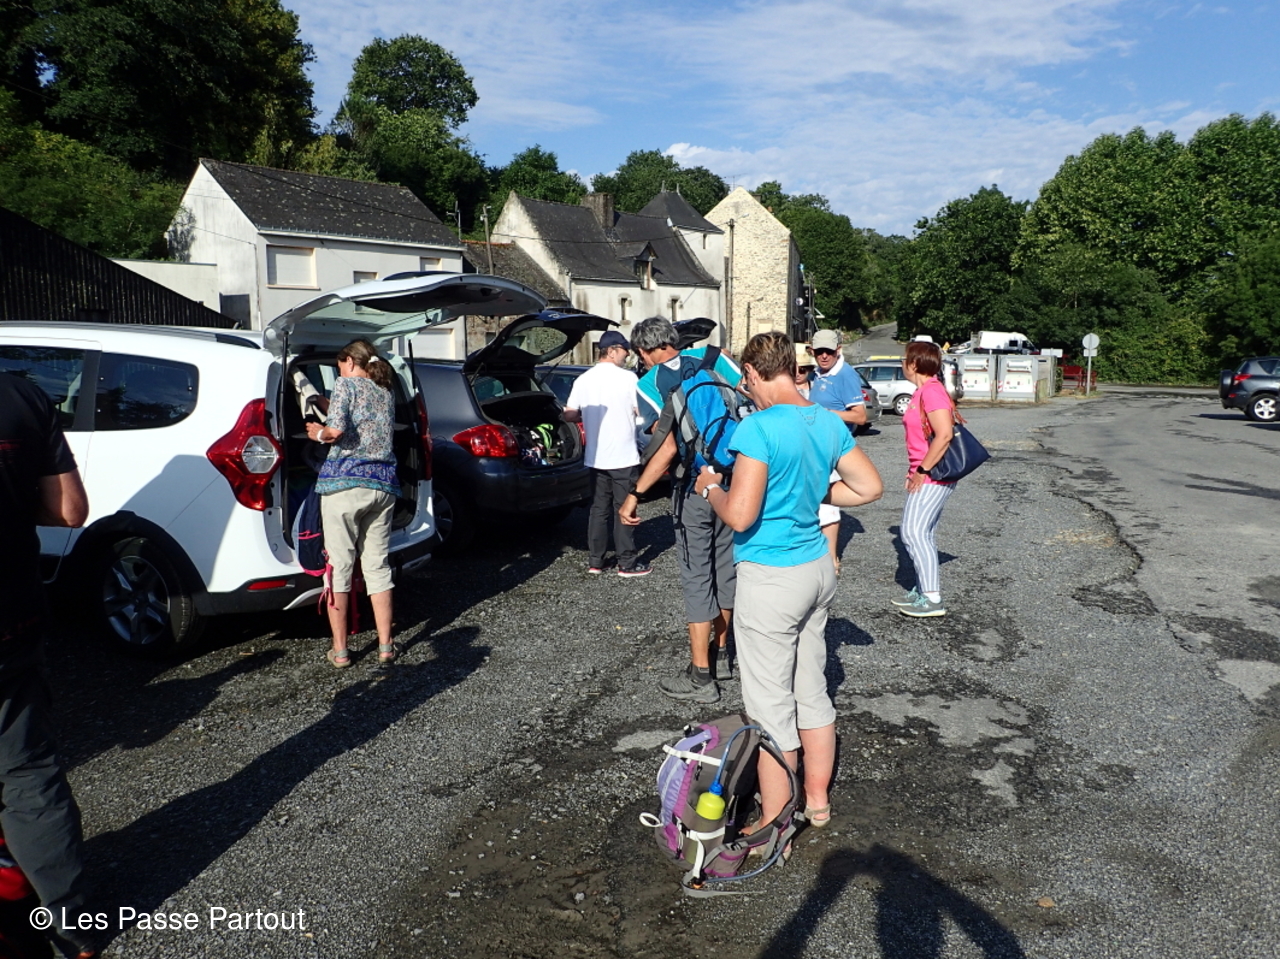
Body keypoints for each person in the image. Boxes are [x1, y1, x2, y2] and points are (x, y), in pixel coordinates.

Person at [693, 331, 882, 837]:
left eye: (746, 382)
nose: (747, 390)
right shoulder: (826, 420)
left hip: (773, 577)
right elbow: (870, 487)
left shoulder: (757, 428)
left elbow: (740, 514)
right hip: (816, 568)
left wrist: (710, 487)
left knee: (771, 706)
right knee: (812, 690)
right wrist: (813, 490)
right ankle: (816, 802)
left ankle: (775, 826)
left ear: (754, 373)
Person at [0, 371, 98, 958]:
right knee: (29, 773)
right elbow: (69, 508)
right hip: (10, 623)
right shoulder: (21, 395)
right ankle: (73, 929)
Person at [619, 316, 741, 704]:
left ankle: (701, 676)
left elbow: (667, 446)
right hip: (733, 481)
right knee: (726, 571)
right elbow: (748, 402)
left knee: (696, 576)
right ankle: (722, 654)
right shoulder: (715, 357)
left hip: (693, 488)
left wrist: (635, 493)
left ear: (644, 350)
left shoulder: (649, 384)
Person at [305, 339, 401, 667]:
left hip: (344, 486)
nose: (339, 372)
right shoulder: (385, 390)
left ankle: (341, 651)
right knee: (377, 566)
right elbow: (358, 415)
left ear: (348, 361)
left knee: (340, 567)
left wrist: (317, 433)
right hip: (383, 486)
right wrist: (321, 400)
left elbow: (335, 431)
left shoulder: (345, 384)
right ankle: (386, 646)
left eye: (339, 366)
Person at [562, 331, 649, 577]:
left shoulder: (583, 379)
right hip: (623, 456)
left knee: (598, 510)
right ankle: (627, 563)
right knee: (625, 508)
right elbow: (639, 410)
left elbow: (569, 414)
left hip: (596, 457)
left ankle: (596, 562)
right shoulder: (629, 378)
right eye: (624, 352)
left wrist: (588, 416)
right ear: (611, 351)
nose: (627, 356)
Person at [894, 340, 957, 618]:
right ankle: (924, 590)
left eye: (904, 359)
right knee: (923, 533)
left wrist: (921, 471)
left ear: (914, 363)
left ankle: (932, 598)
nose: (902, 363)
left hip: (933, 474)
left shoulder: (931, 391)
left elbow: (944, 434)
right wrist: (914, 471)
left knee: (913, 532)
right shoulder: (924, 391)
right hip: (926, 473)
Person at [796, 341, 843, 575]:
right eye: (793, 369)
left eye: (802, 369)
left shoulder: (819, 386)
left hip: (822, 452)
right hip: (798, 454)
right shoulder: (783, 392)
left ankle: (831, 556)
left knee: (828, 505)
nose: (798, 373)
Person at [808, 328, 867, 435]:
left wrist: (825, 413)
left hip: (835, 441)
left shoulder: (846, 375)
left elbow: (860, 417)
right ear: (812, 351)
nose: (824, 356)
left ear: (838, 350)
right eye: (819, 351)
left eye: (829, 351)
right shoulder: (816, 372)